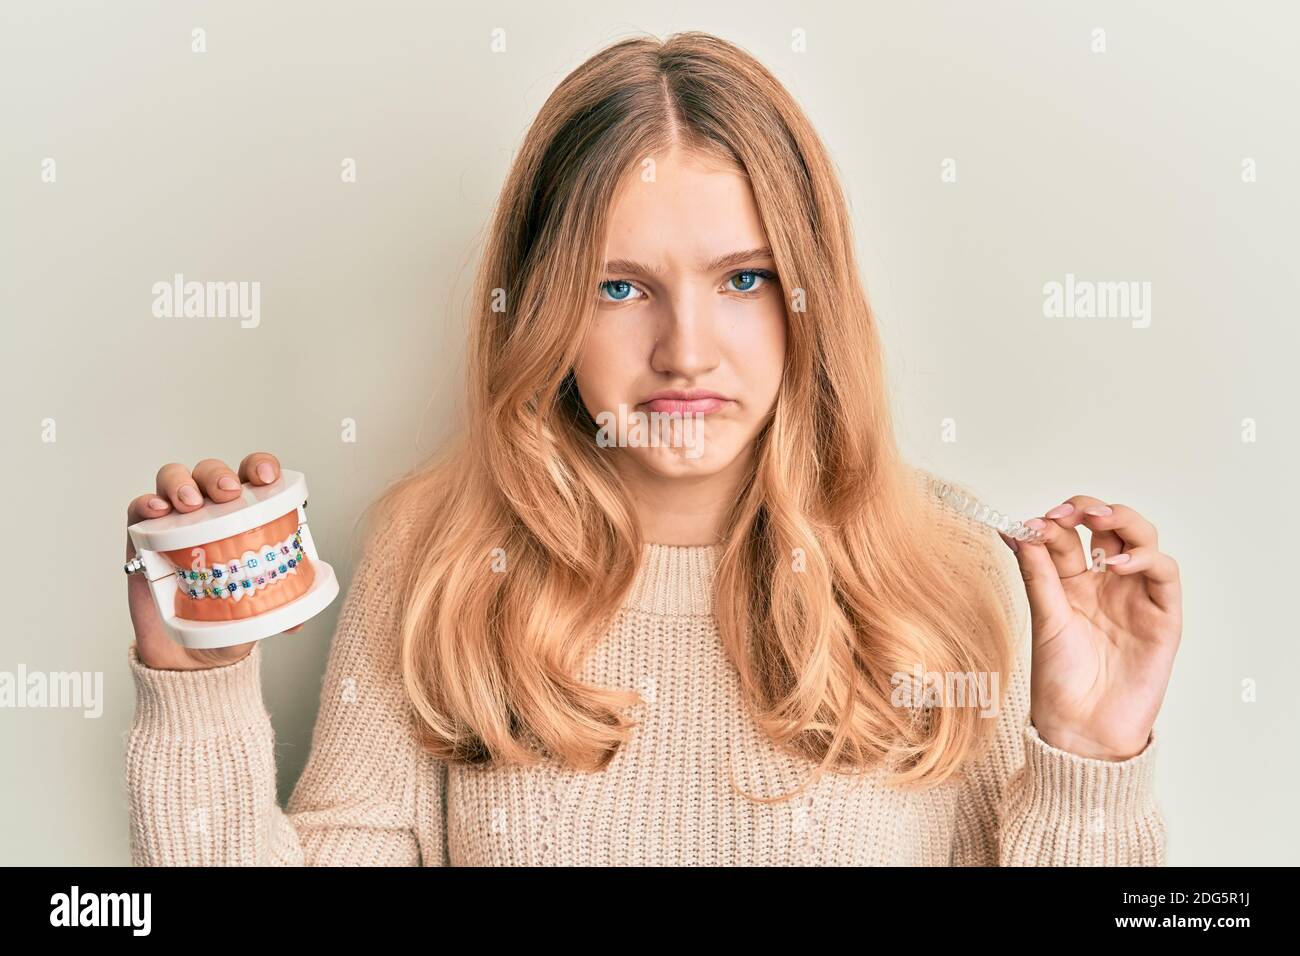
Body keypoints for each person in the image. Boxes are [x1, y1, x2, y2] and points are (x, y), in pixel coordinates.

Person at [123, 31, 1180, 866]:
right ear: (543, 305)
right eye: (618, 286)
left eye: (742, 279)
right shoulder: (435, 556)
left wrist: (1088, 755)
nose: (684, 351)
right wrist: (198, 689)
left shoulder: (945, 563)